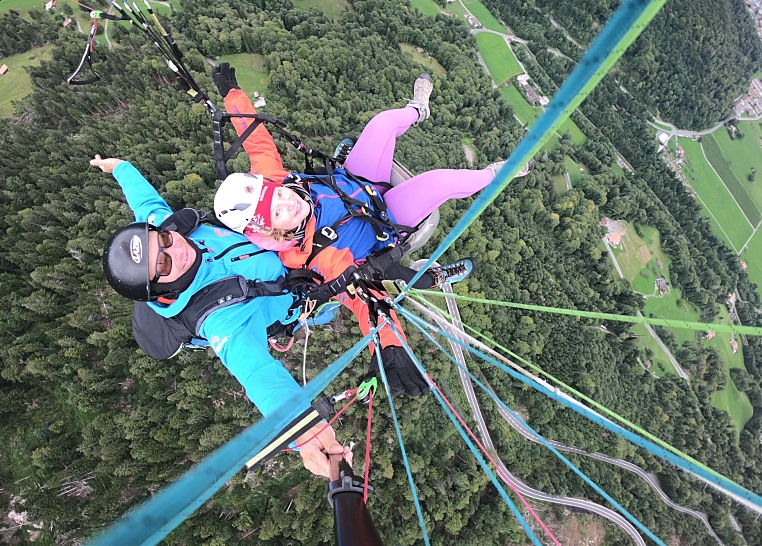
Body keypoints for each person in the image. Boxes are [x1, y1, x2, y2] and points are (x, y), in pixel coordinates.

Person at [211, 64, 532, 393]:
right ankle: (498, 174)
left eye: (279, 194)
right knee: (442, 182)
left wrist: (232, 94)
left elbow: (256, 140)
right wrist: (390, 347)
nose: (287, 201)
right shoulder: (320, 259)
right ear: (275, 234)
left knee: (381, 124)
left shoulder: (274, 183)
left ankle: (417, 110)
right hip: (387, 219)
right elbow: (366, 299)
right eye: (278, 213)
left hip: (353, 184)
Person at [90, 154, 351, 479]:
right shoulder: (218, 317)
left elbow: (145, 202)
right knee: (336, 303)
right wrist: (305, 431)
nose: (178, 251)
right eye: (164, 265)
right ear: (158, 292)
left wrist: (118, 168)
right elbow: (256, 372)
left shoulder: (168, 230)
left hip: (287, 250)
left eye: (165, 241)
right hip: (302, 299)